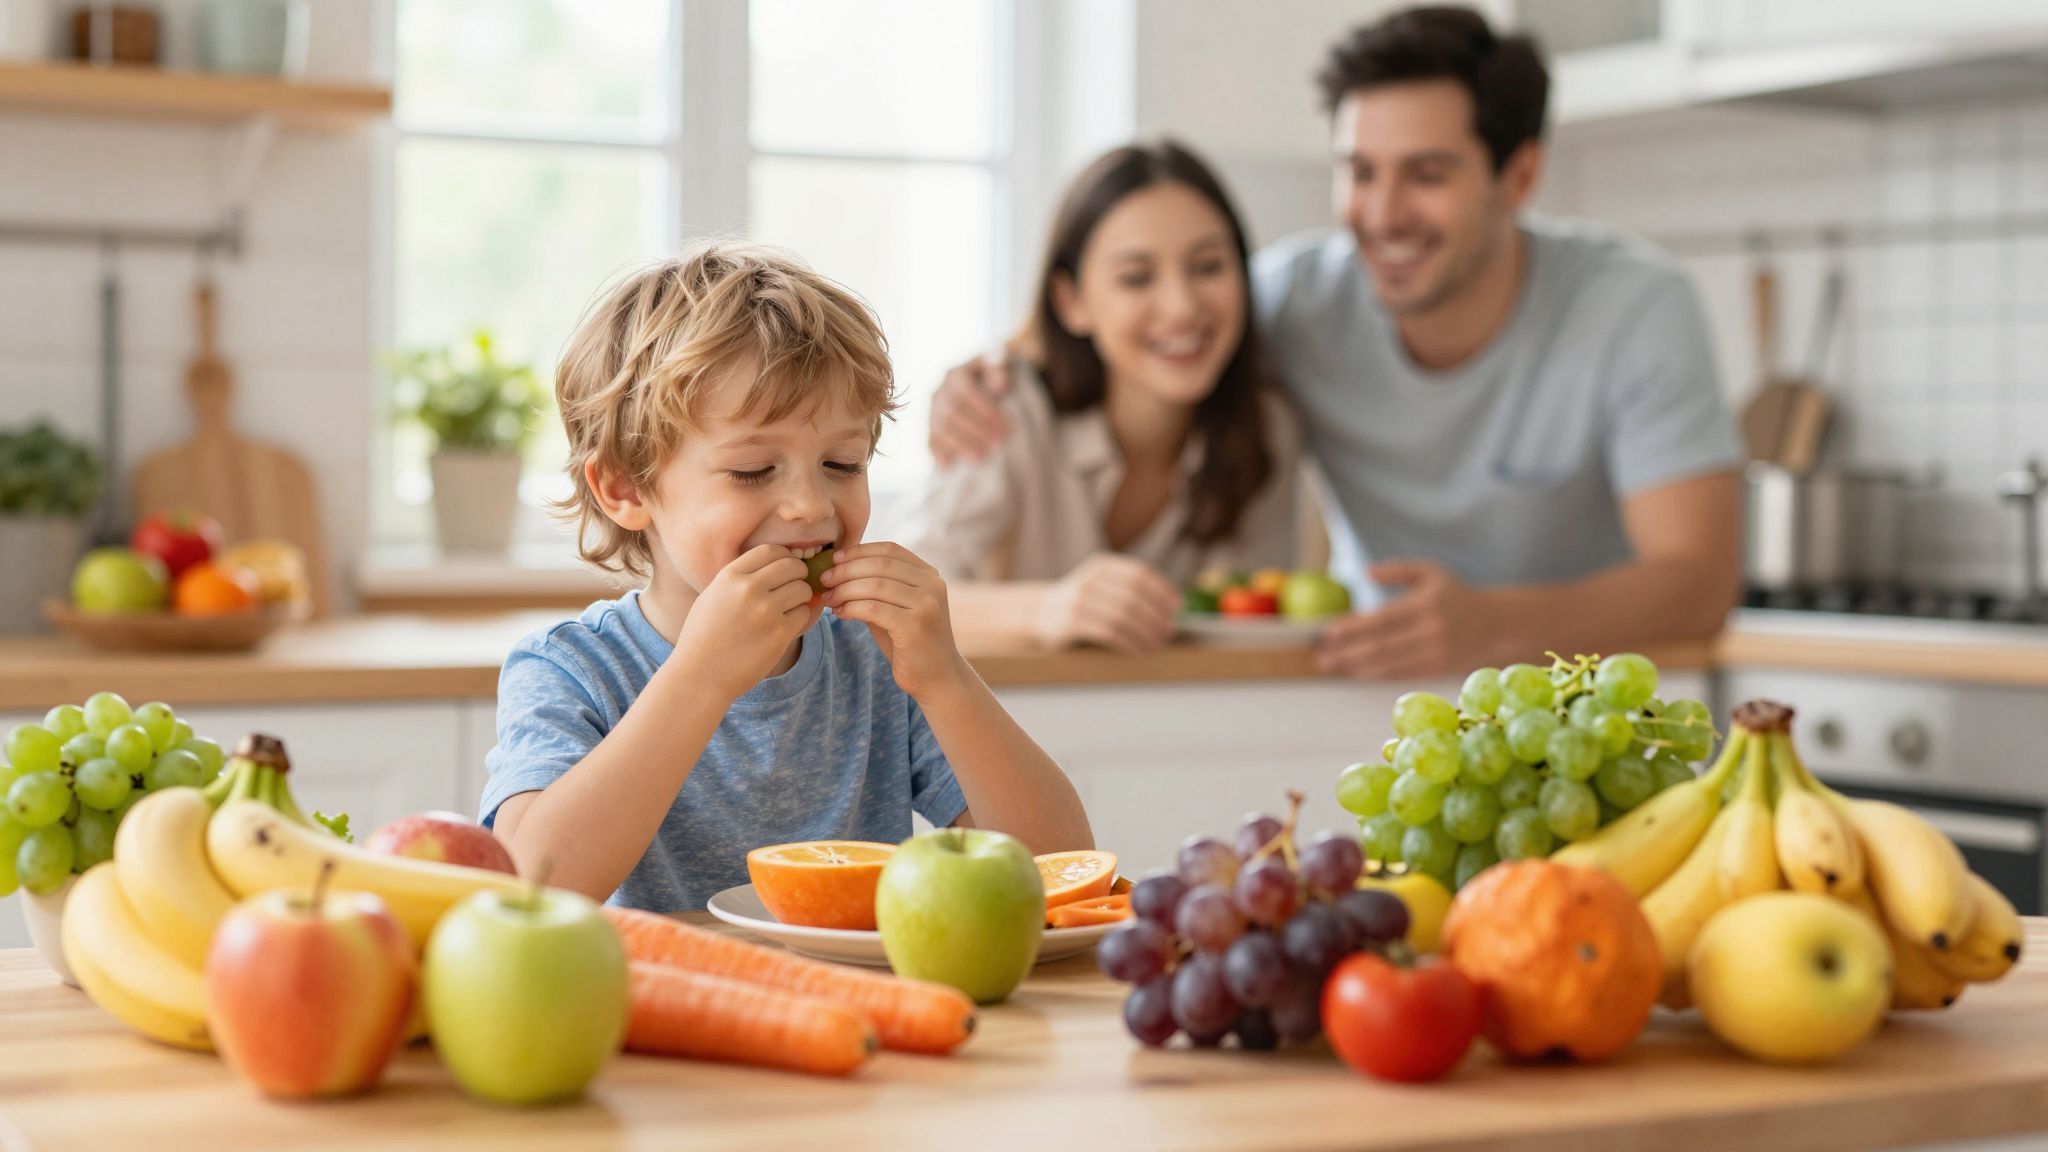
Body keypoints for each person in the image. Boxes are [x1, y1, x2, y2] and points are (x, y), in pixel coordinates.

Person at [928, 6, 1743, 681]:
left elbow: (1700, 582)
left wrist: (1490, 625)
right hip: (1387, 699)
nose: (1382, 215)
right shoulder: (1294, 301)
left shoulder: (1636, 305)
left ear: (1518, 176)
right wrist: (986, 371)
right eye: (1359, 171)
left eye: (1425, 174)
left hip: (1597, 693)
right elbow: (1147, 319)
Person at [480, 244, 1092, 910]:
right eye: (752, 471)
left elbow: (1059, 873)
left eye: (842, 464)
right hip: (656, 1010)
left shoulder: (876, 663)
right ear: (625, 488)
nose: (810, 505)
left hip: (861, 1008)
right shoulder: (570, 670)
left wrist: (946, 679)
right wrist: (701, 677)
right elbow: (529, 884)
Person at [907, 141, 1307, 652]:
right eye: (1136, 277)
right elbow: (890, 603)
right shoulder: (1003, 407)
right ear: (1071, 301)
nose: (1182, 307)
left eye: (1208, 266)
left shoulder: (1266, 427)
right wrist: (1045, 609)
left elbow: (1255, 628)